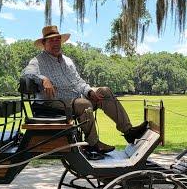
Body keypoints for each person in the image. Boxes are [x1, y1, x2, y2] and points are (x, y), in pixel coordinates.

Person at [20, 25, 148, 155]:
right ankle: (92, 143)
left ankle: (128, 132)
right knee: (83, 104)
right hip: (52, 102)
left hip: (74, 99)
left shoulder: (67, 61)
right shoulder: (38, 61)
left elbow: (78, 81)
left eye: (57, 39)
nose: (56, 43)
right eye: (51, 40)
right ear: (44, 43)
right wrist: (43, 79)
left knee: (104, 92)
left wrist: (89, 92)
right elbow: (26, 73)